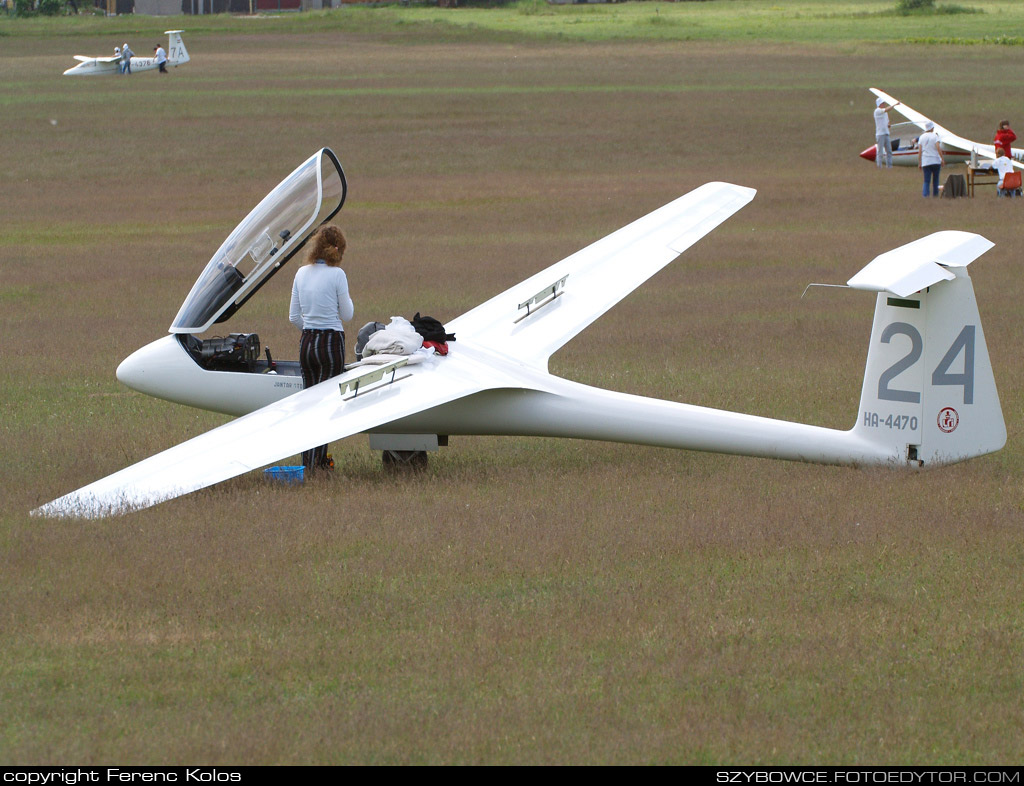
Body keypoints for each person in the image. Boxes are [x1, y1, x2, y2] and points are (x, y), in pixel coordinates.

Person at [289, 225, 354, 473]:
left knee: (308, 405)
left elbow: (294, 316)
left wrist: (311, 328)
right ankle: (317, 466)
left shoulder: (301, 273)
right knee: (325, 406)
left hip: (307, 343)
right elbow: (347, 315)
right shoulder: (337, 275)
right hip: (330, 344)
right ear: (337, 250)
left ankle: (307, 463)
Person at [918, 120, 944, 197]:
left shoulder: (921, 137)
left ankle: (925, 196)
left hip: (926, 162)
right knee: (936, 180)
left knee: (926, 180)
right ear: (932, 128)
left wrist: (920, 162)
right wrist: (942, 159)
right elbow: (938, 148)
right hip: (935, 161)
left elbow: (920, 151)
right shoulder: (935, 136)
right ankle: (935, 195)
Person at [873, 97, 899, 169]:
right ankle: (879, 167)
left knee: (889, 151)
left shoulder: (885, 113)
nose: (884, 104)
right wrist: (895, 105)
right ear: (879, 104)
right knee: (880, 152)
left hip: (886, 133)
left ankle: (889, 167)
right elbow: (887, 109)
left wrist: (888, 124)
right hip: (880, 134)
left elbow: (887, 121)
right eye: (882, 103)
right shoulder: (877, 111)